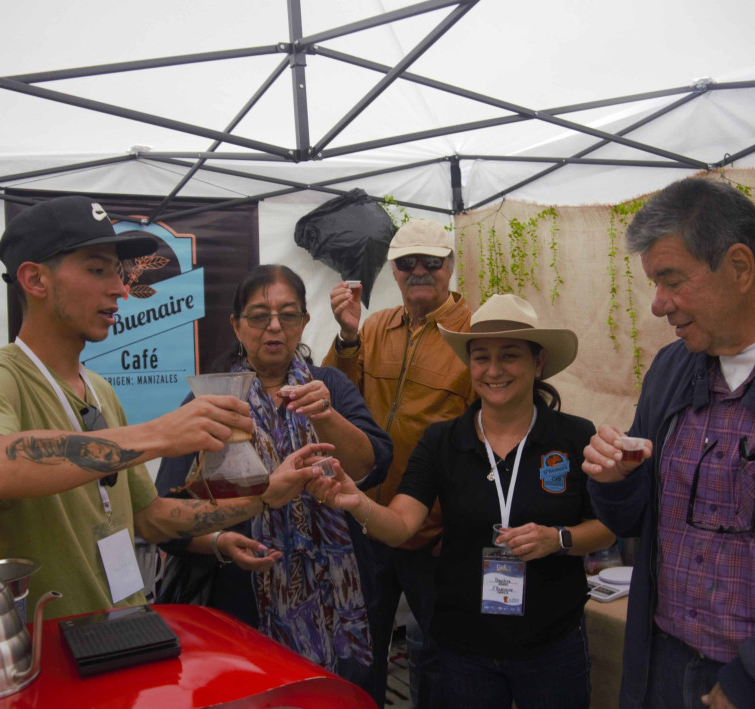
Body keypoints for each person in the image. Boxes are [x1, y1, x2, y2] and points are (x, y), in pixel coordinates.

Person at [0, 196, 323, 620]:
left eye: (118, 272)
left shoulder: (101, 391)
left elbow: (150, 519)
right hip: (46, 653)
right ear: (36, 280)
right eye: (97, 270)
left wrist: (263, 498)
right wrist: (161, 434)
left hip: (123, 627)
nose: (120, 288)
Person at [582, 177, 755, 709]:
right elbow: (635, 522)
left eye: (671, 280)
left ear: (740, 268)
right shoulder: (670, 370)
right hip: (663, 665)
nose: (658, 305)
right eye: (654, 283)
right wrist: (616, 482)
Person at [313, 293, 614, 709]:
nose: (493, 371)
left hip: (552, 643)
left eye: (509, 356)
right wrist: (357, 502)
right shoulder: (442, 441)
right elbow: (401, 523)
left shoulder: (575, 437)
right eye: (480, 358)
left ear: (538, 362)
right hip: (462, 647)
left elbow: (605, 527)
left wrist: (557, 539)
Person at [154, 264, 393, 694]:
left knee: (342, 697)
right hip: (243, 602)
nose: (274, 327)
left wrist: (325, 416)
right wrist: (217, 542)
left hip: (341, 600)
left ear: (304, 322)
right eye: (259, 315)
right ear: (236, 325)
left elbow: (370, 467)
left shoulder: (329, 385)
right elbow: (168, 511)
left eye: (288, 313)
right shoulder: (213, 399)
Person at [322, 218, 475, 708]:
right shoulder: (374, 325)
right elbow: (337, 398)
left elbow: (485, 434)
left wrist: (460, 520)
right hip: (367, 518)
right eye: (408, 263)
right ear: (394, 269)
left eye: (432, 261)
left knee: (434, 650)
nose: (420, 271)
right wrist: (347, 337)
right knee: (363, 640)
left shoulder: (474, 333)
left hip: (433, 527)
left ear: (450, 266)